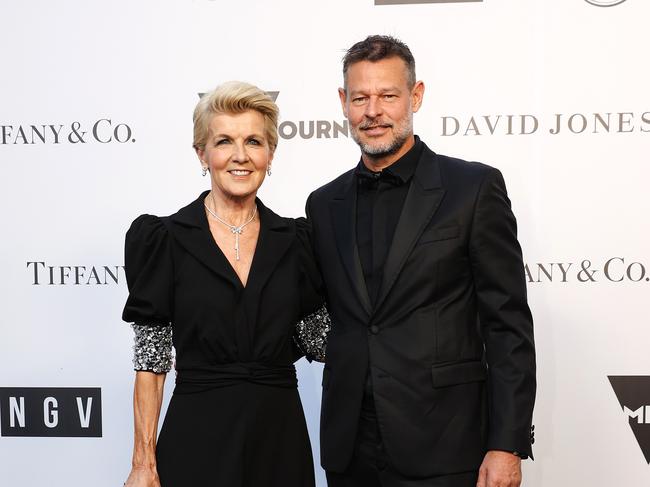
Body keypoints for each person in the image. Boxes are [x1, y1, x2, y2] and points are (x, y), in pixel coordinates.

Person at [306, 36, 536, 487]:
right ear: (343, 103)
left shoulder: (472, 189)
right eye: (360, 98)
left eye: (388, 96)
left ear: (416, 96)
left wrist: (506, 443)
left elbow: (506, 325)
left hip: (447, 442)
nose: (373, 111)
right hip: (349, 447)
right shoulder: (322, 204)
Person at [121, 81, 324, 487]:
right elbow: (152, 359)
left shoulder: (298, 241)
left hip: (279, 438)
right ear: (202, 153)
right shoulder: (164, 239)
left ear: (270, 153)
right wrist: (144, 462)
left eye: (253, 141)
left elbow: (319, 341)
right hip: (197, 434)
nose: (240, 156)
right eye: (224, 141)